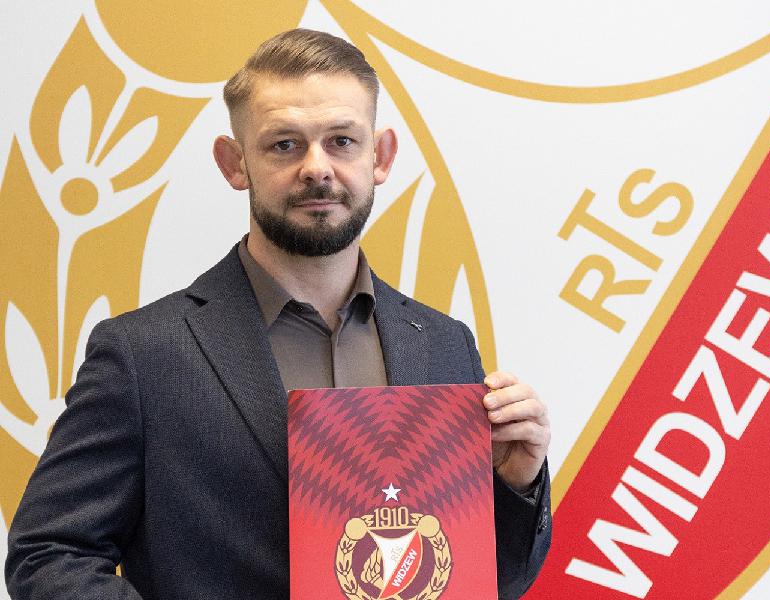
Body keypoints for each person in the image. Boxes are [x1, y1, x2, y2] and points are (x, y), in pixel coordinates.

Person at [5, 28, 551, 600]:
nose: (317, 167)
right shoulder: (143, 354)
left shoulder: (444, 343)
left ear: (380, 156)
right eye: (284, 144)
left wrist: (517, 481)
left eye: (341, 141)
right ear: (234, 163)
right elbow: (48, 555)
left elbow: (494, 580)